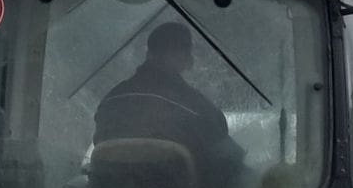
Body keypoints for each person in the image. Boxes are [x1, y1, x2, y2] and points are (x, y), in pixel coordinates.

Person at [92, 21, 244, 171]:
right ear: (186, 59)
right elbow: (221, 133)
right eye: (185, 53)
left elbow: (99, 143)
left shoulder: (109, 101)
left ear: (148, 54)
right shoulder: (193, 106)